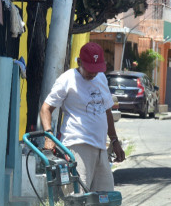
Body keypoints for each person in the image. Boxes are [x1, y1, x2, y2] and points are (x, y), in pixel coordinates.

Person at [39, 42, 125, 192]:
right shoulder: (67, 79)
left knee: (106, 198)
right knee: (78, 199)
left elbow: (107, 112)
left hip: (100, 147)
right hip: (77, 146)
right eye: (89, 69)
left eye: (96, 70)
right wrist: (48, 137)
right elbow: (46, 108)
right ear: (79, 62)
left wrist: (115, 140)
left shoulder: (101, 78)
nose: (93, 74)